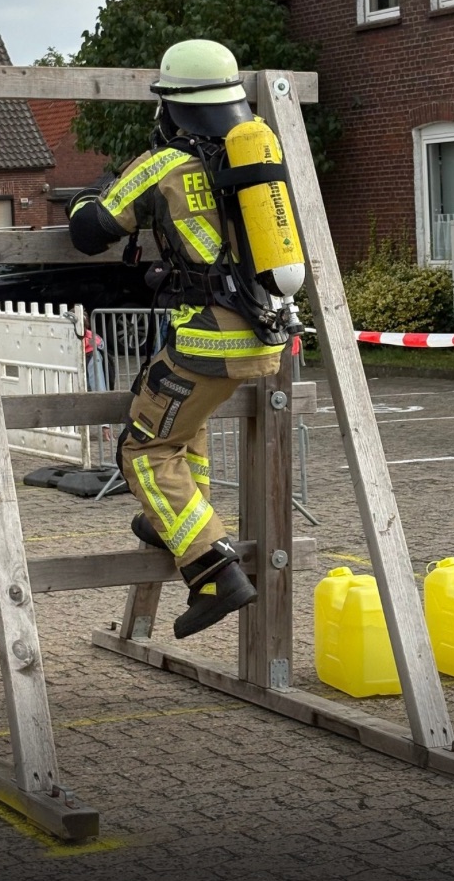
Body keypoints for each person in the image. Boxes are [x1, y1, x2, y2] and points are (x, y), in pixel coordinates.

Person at [67, 39, 304, 639]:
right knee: (179, 426)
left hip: (209, 339)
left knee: (142, 450)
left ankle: (213, 571)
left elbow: (91, 231)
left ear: (171, 106)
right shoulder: (253, 161)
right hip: (264, 331)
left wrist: (88, 195)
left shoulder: (162, 164)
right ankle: (170, 521)